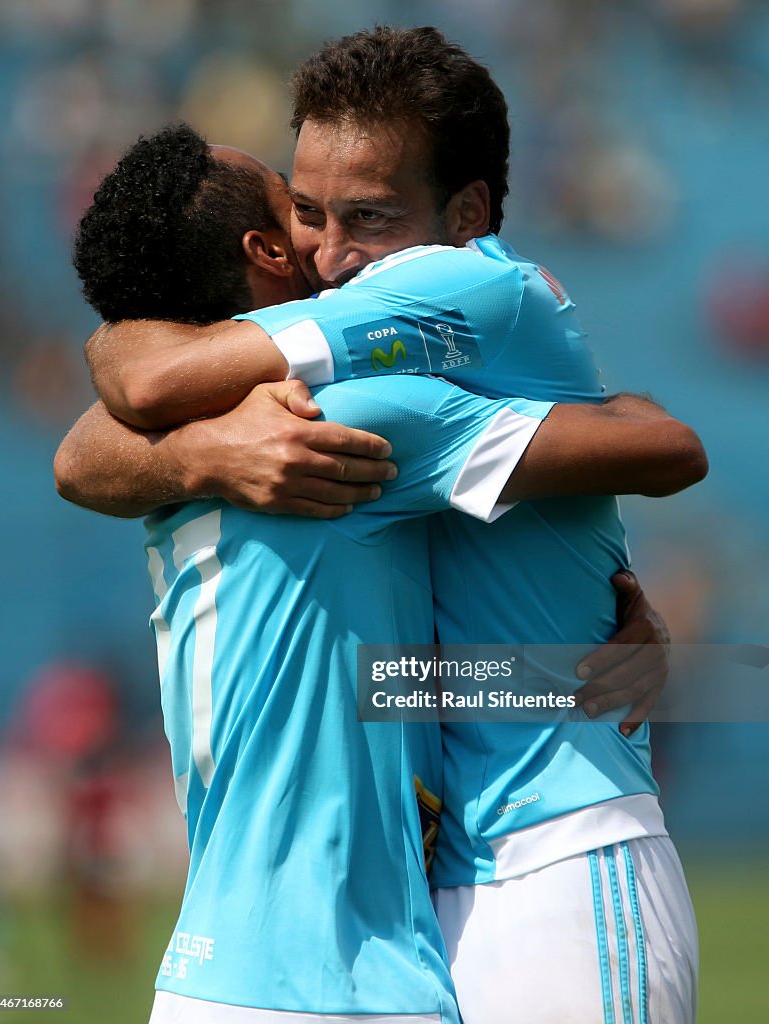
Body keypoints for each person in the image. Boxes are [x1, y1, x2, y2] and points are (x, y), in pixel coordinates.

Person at [57, 29, 704, 1024]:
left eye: (369, 217)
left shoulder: (436, 311)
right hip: (418, 904)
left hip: (549, 859)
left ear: (466, 215)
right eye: (306, 213)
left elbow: (118, 404)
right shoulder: (328, 414)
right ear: (263, 247)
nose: (327, 251)